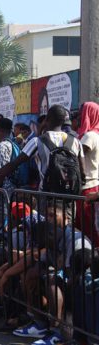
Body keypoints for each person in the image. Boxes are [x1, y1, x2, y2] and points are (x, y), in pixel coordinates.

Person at [78, 101, 99, 244]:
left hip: (87, 187)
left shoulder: (90, 136)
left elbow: (77, 156)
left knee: (88, 228)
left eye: (82, 113)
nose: (79, 117)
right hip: (93, 184)